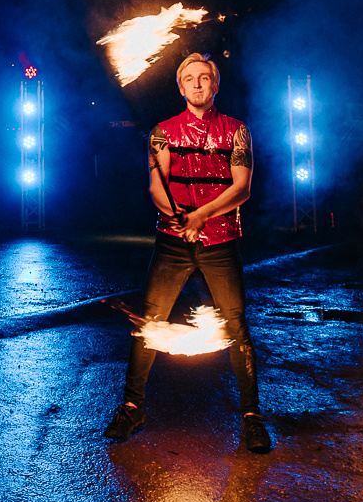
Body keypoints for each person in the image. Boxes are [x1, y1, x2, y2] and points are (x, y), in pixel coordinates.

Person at [103, 53, 271, 453]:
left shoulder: (236, 131)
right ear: (180, 88)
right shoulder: (162, 132)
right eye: (190, 79)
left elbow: (242, 187)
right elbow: (156, 188)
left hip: (221, 240)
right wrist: (179, 217)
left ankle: (252, 416)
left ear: (215, 85)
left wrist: (201, 216)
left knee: (236, 325)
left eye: (204, 78)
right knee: (149, 323)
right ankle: (132, 407)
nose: (197, 84)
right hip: (173, 241)